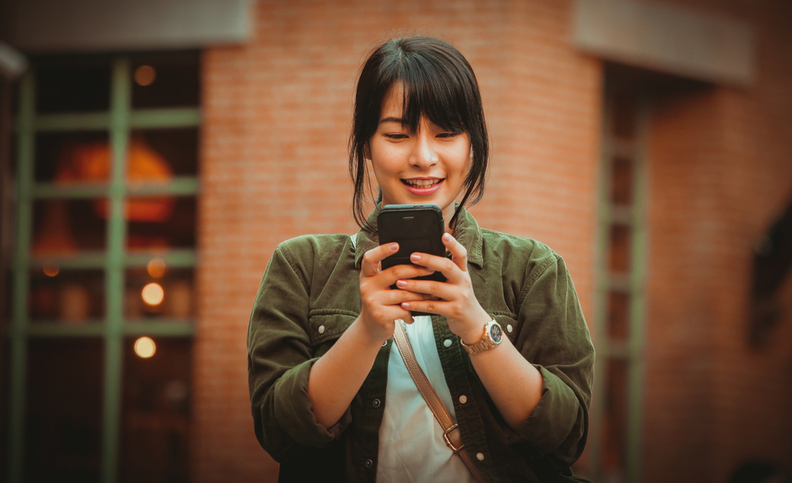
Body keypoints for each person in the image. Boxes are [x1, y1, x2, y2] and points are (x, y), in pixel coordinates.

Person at [247, 35, 595, 483]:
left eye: (446, 134)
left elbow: (565, 436)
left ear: (473, 144)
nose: (424, 157)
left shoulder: (532, 269)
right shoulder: (301, 266)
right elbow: (280, 432)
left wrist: (475, 324)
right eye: (397, 134)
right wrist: (367, 331)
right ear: (367, 144)